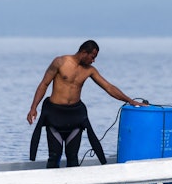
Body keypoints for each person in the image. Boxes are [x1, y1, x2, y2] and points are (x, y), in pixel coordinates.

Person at [27, 39, 145, 168]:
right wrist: (33, 108)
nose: (93, 60)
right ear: (84, 52)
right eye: (92, 57)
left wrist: (130, 100)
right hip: (55, 114)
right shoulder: (60, 62)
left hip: (74, 115)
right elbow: (44, 84)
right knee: (54, 156)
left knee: (72, 157)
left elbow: (108, 87)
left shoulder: (90, 70)